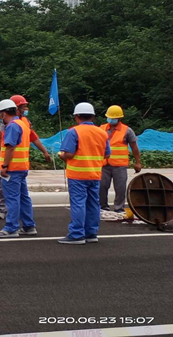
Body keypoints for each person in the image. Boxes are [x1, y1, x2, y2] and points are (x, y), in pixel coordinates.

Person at [57, 103, 110, 245]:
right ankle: (91, 233)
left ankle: (76, 234)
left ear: (77, 117)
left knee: (78, 204)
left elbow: (68, 154)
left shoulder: (74, 132)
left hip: (77, 175)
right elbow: (107, 154)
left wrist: (61, 155)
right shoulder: (102, 133)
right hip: (95, 174)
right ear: (93, 117)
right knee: (93, 204)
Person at [0, 95, 51, 220]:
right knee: (20, 195)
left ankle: (12, 225)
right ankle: (20, 220)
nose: (25, 109)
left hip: (12, 165)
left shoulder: (19, 123)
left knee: (13, 196)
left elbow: (14, 146)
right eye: (23, 106)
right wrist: (0, 155)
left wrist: (4, 165)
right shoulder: (5, 124)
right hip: (18, 165)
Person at [0, 99, 36, 238]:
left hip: (12, 169)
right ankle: (29, 226)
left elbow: (10, 148)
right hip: (22, 167)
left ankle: (11, 228)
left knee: (12, 199)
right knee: (24, 198)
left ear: (3, 113)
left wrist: (4, 166)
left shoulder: (12, 126)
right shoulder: (22, 124)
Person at [99, 105, 142, 213]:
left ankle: (119, 208)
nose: (110, 119)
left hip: (120, 165)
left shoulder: (127, 130)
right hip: (104, 164)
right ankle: (102, 207)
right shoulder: (101, 128)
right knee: (102, 187)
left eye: (113, 118)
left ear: (119, 118)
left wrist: (138, 162)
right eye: (109, 117)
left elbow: (134, 147)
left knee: (120, 188)